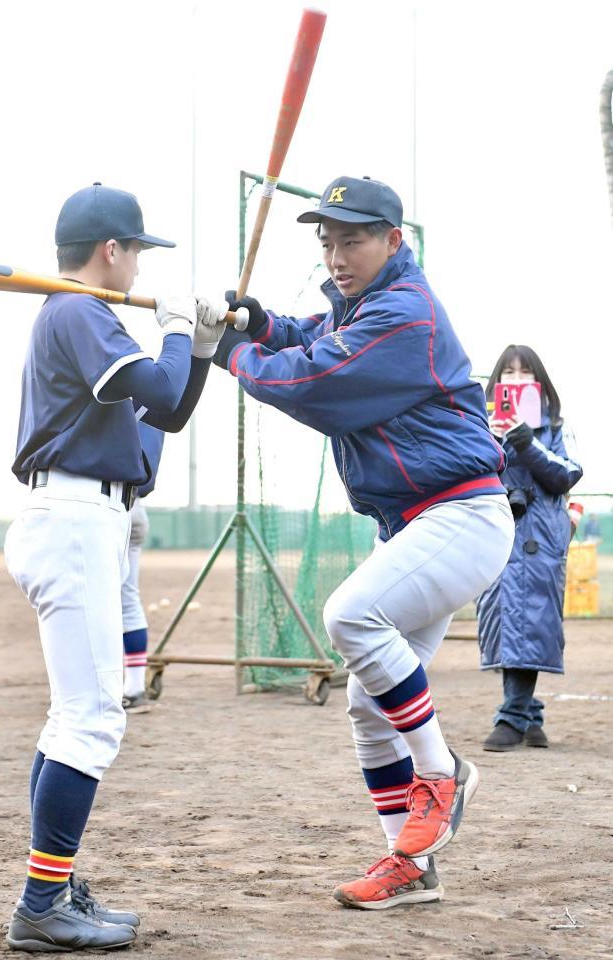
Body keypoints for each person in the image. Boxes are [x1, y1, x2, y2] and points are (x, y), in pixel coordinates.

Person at [204, 175, 514, 910]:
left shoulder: (404, 314)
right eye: (328, 241)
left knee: (350, 615)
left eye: (353, 240)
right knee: (366, 705)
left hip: (462, 516)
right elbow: (303, 335)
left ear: (393, 241)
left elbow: (313, 378)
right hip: (420, 524)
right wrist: (252, 323)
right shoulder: (362, 305)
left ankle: (440, 775)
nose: (337, 255)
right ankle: (408, 869)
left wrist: (224, 353)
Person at [3, 182, 229, 952]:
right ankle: (41, 903)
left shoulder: (80, 315)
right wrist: (171, 333)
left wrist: (194, 348)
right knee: (92, 719)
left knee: (78, 714)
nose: (138, 264)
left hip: (83, 513)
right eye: (135, 250)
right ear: (111, 250)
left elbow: (164, 409)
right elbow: (157, 385)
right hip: (69, 518)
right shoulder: (77, 311)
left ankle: (53, 887)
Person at [477, 345, 582, 751]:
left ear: (539, 382)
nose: (516, 379)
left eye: (525, 372)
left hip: (541, 537)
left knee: (533, 621)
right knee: (505, 620)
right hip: (500, 533)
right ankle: (529, 714)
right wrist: (497, 439)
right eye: (509, 372)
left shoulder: (555, 425)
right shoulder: (482, 424)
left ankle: (512, 717)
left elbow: (566, 474)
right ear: (497, 381)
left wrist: (527, 442)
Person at [121, 421, 165, 713]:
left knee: (86, 600)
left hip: (112, 504)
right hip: (137, 505)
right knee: (128, 599)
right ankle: (134, 686)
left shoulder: (118, 394)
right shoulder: (157, 401)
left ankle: (93, 688)